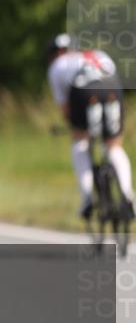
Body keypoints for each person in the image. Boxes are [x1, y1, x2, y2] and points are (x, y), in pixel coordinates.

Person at [46, 34, 134, 220]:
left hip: (82, 90)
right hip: (111, 87)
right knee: (114, 145)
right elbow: (114, 77)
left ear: (57, 53)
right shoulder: (99, 54)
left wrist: (77, 129)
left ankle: (87, 198)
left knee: (80, 142)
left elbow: (65, 109)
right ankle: (127, 195)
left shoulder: (57, 66)